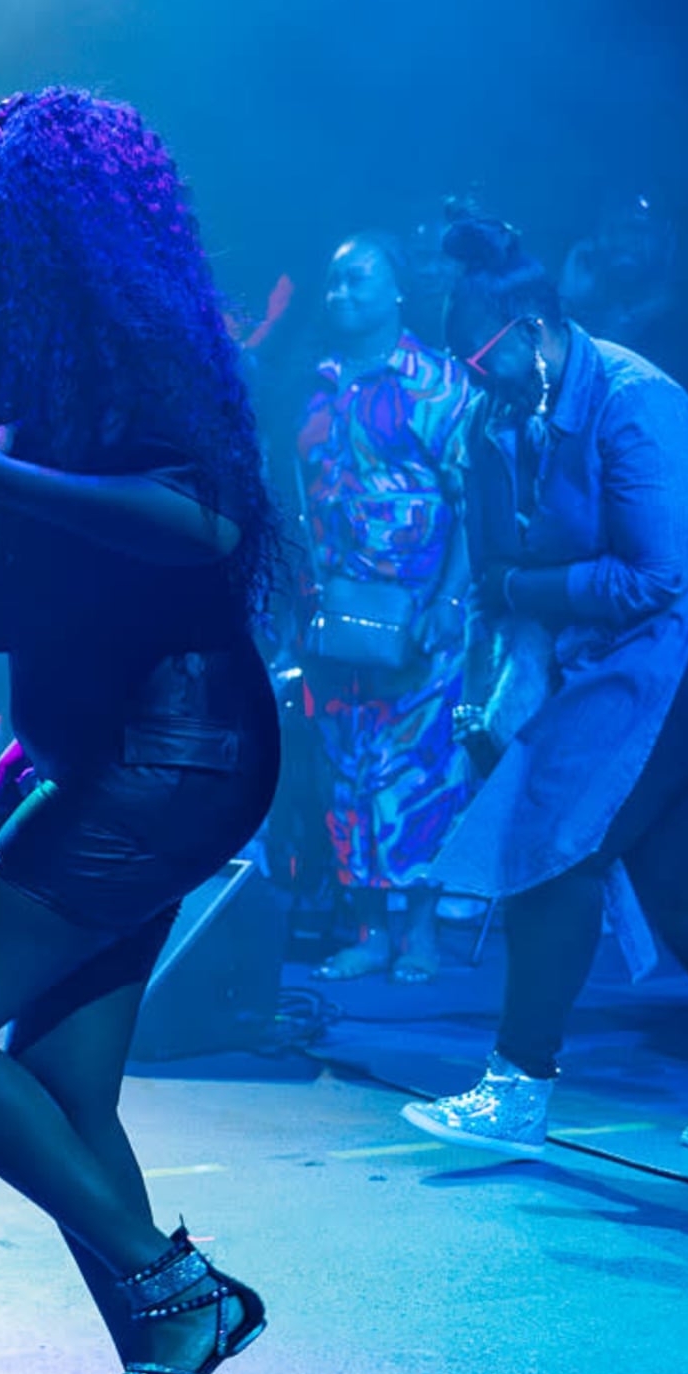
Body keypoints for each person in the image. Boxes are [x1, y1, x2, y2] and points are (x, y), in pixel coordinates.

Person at [0, 88, 289, 1374]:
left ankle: (180, 1294)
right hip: (139, 750)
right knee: (64, 1093)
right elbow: (93, 603)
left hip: (172, 756)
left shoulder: (134, 358)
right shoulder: (74, 356)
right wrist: (19, 758)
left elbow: (206, 524)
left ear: (40, 230)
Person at [402, 216, 688, 1156]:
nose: (469, 379)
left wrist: (529, 591)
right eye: (457, 362)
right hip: (618, 649)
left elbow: (660, 575)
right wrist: (503, 678)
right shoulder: (497, 418)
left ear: (534, 327)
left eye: (479, 355)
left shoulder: (636, 398)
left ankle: (516, 1088)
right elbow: (496, 572)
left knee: (553, 834)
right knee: (687, 878)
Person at [292, 233, 474, 981]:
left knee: (422, 769)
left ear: (397, 288)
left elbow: (471, 503)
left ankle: (421, 934)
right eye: (332, 281)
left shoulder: (436, 384)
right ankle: (368, 929)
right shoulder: (317, 384)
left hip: (417, 611)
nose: (339, 293)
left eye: (357, 278)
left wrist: (448, 600)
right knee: (348, 767)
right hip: (339, 615)